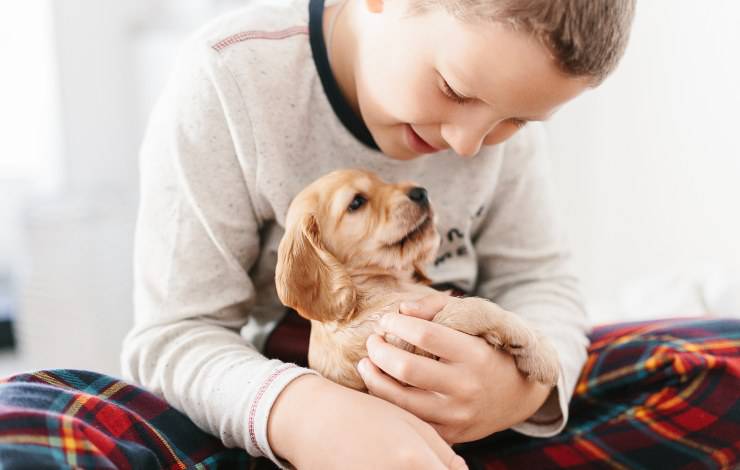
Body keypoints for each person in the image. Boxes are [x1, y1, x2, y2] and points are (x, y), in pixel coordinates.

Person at [121, 0, 634, 468]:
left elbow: (541, 281)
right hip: (280, 424)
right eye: (454, 90)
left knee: (706, 358)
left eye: (517, 121)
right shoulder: (230, 75)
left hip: (475, 419)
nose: (468, 143)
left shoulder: (489, 111)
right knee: (60, 422)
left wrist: (517, 395)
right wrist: (307, 418)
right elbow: (174, 335)